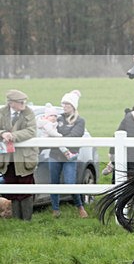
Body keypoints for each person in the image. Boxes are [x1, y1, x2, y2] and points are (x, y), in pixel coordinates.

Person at [47, 90, 89, 218]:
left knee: (70, 183)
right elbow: (50, 131)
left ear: (73, 106)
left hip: (70, 156)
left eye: (67, 104)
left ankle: (80, 207)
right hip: (55, 155)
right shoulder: (57, 119)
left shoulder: (79, 121)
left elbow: (75, 135)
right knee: (54, 182)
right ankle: (55, 210)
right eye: (63, 103)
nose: (64, 106)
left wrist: (59, 137)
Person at [0, 89, 38, 220]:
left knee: (26, 188)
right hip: (7, 158)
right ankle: (16, 219)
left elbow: (31, 131)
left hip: (25, 157)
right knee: (12, 187)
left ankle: (26, 220)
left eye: (24, 102)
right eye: (20, 102)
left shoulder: (29, 113)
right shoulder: (2, 112)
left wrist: (13, 136)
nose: (23, 104)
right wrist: (2, 133)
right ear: (11, 103)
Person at [104, 104, 134, 182]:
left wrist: (112, 155)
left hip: (127, 160)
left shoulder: (128, 118)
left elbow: (116, 136)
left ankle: (112, 165)